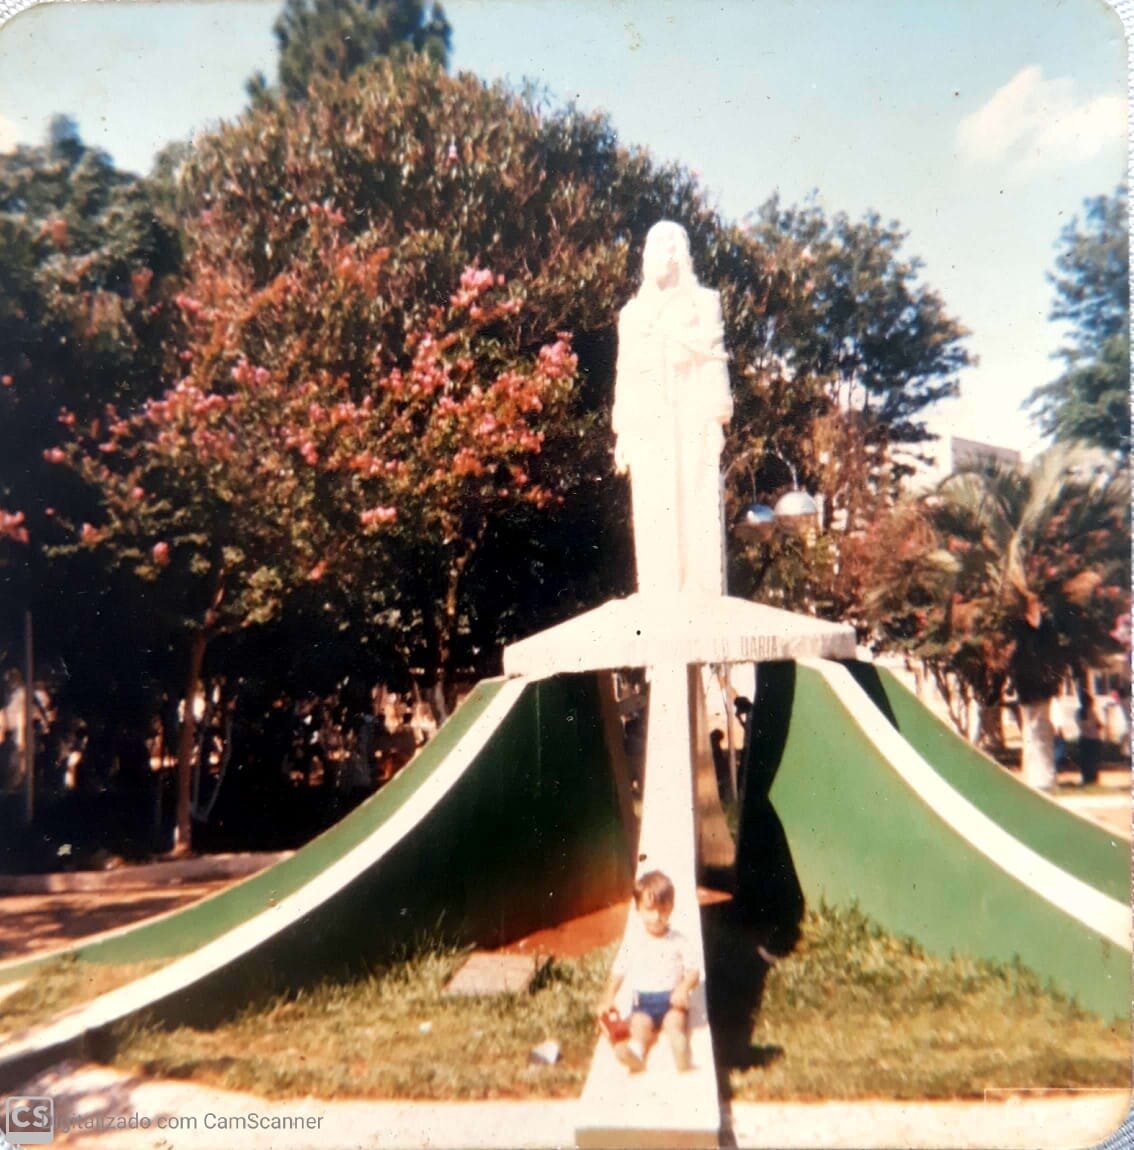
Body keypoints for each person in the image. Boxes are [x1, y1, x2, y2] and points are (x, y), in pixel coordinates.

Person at [612, 221, 733, 596]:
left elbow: (714, 359)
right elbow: (625, 372)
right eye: (653, 246)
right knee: (653, 506)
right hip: (649, 419)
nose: (659, 254)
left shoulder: (704, 302)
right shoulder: (632, 314)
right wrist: (624, 434)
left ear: (681, 255)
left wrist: (716, 419)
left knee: (695, 499)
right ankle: (658, 590)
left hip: (691, 412)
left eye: (668, 246)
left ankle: (699, 590)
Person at [596, 870, 701, 1073]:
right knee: (639, 1026)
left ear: (671, 907)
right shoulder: (634, 940)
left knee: (674, 1023)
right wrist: (608, 996)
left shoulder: (678, 940)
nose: (656, 917)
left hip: (672, 1000)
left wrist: (683, 988)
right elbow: (619, 970)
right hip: (642, 1003)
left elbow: (694, 971)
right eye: (650, 910)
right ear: (638, 909)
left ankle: (680, 1049)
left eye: (663, 910)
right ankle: (635, 1053)